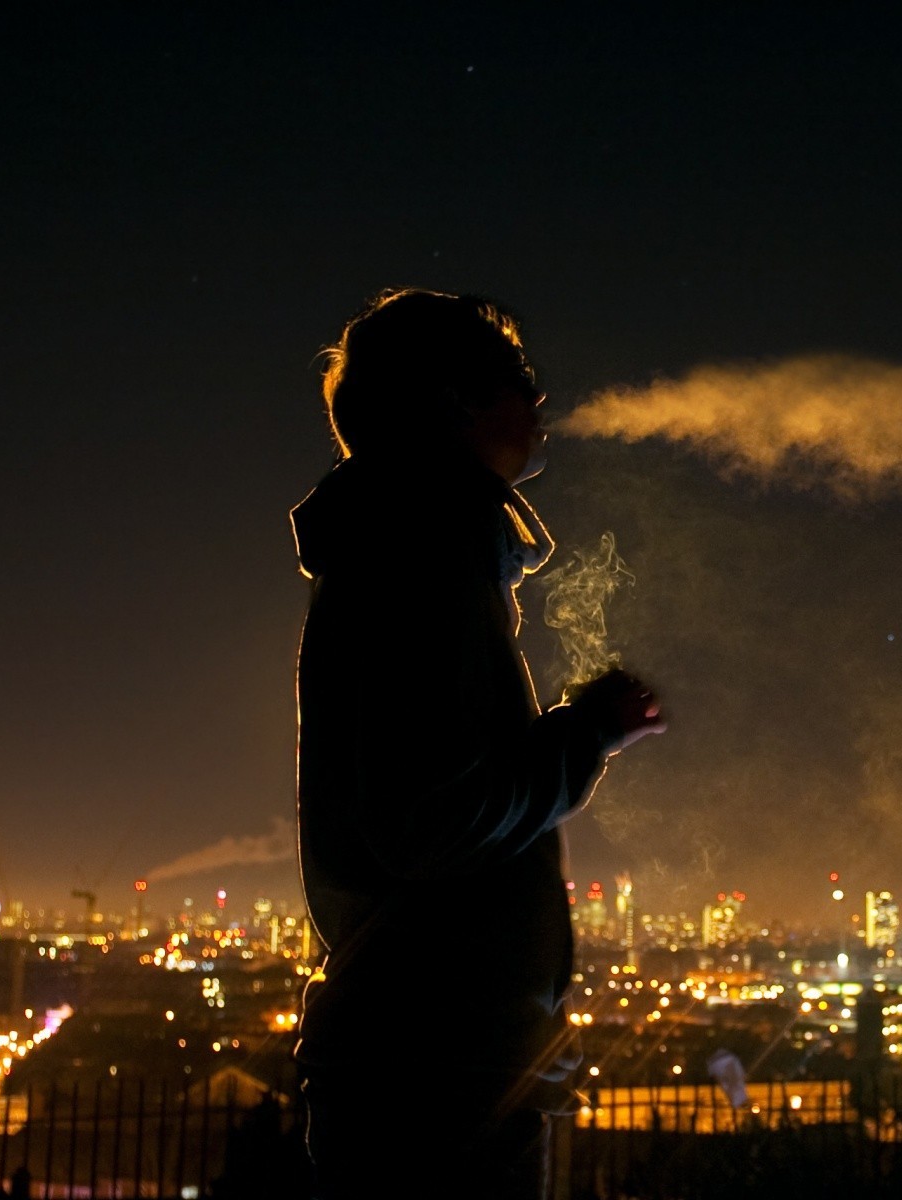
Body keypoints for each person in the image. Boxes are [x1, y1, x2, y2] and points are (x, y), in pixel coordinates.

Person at [289, 289, 665, 1198]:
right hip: (441, 1078)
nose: (541, 406)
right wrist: (589, 735)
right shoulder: (423, 556)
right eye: (521, 382)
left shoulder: (399, 546)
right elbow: (438, 819)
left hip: (416, 1064)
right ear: (456, 402)